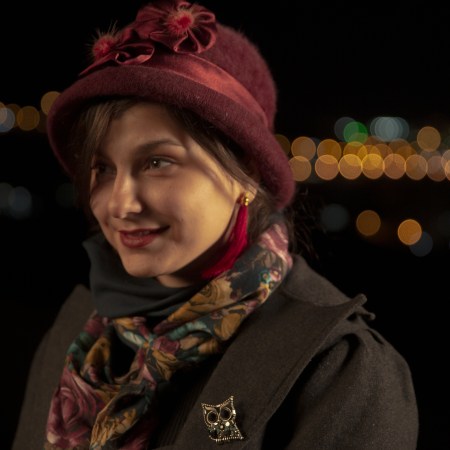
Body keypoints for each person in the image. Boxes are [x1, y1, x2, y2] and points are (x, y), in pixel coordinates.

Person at [12, 1, 419, 448]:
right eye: (103, 169)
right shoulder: (77, 337)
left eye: (157, 162)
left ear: (246, 173)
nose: (121, 203)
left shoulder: (336, 370)